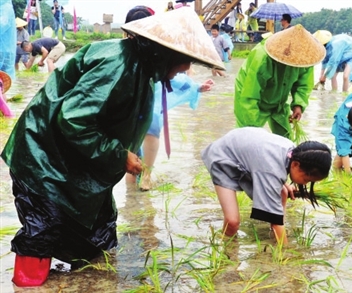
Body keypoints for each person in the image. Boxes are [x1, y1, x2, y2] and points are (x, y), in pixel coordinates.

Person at [1, 7, 224, 287]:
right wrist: (119, 155)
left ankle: (88, 284)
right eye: (184, 62)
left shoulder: (142, 67)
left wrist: (128, 153)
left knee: (96, 232)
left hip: (74, 160)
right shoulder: (117, 65)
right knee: (44, 227)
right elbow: (73, 119)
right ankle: (27, 285)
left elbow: (125, 120)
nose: (186, 70)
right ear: (165, 54)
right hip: (43, 158)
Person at [121, 5, 215, 191]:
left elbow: (172, 74)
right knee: (132, 144)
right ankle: (133, 182)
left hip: (149, 101)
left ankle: (145, 175)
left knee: (151, 127)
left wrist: (195, 87)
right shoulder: (123, 52)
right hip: (131, 103)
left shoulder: (156, 51)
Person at [201, 127, 332, 244]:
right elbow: (269, 169)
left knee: (282, 193)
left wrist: (283, 183)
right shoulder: (271, 169)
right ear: (295, 165)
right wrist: (286, 253)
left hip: (242, 143)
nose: (304, 184)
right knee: (232, 221)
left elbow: (268, 165)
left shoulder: (294, 152)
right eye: (305, 179)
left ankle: (277, 231)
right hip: (223, 158)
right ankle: (226, 248)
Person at [235, 25, 325, 139]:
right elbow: (250, 94)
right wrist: (252, 129)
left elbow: (303, 85)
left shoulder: (305, 58)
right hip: (249, 94)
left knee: (286, 138)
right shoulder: (262, 57)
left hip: (279, 99)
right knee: (248, 135)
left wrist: (298, 105)